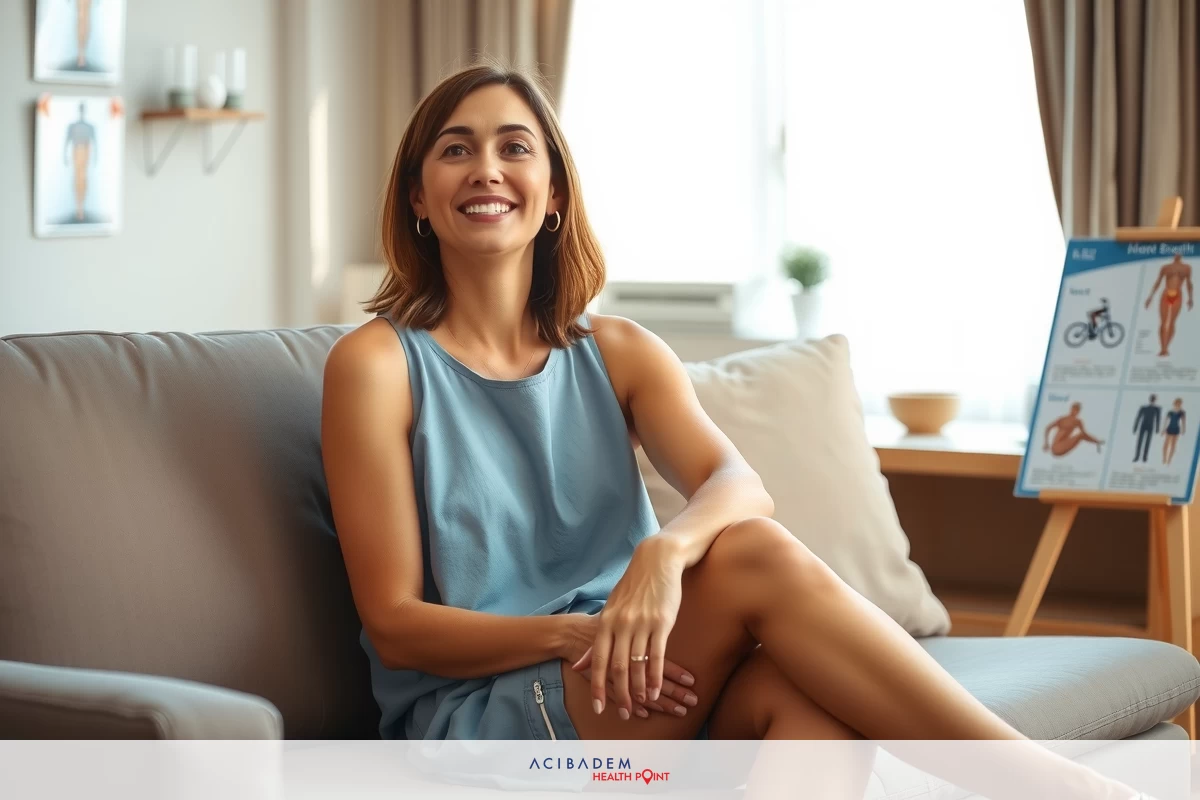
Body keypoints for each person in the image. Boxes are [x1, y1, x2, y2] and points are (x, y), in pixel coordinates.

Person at [320, 62, 1151, 800]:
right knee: (753, 553)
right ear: (420, 198)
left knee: (817, 707)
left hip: (645, 682)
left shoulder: (616, 352)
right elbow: (395, 621)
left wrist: (666, 553)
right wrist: (587, 631)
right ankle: (1052, 785)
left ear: (556, 196)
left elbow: (739, 483)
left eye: (515, 147)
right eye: (456, 150)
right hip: (499, 713)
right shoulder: (378, 365)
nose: (487, 170)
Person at [1143, 254, 1194, 357]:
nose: (1177, 255)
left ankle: (1166, 348)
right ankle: (1162, 348)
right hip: (1166, 293)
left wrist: (1190, 298)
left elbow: (1189, 283)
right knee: (1163, 321)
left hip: (1178, 294)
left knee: (1172, 321)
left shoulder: (1186, 268)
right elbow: (1158, 282)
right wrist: (1150, 297)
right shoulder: (1166, 267)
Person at [62, 102, 97, 222]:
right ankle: (79, 210)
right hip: (76, 151)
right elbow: (67, 141)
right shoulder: (73, 126)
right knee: (78, 179)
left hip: (85, 151)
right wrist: (65, 156)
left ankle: (81, 209)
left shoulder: (89, 127)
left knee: (83, 179)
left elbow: (94, 143)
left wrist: (94, 156)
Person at [1133, 394, 1161, 463]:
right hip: (1144, 425)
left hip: (1150, 426)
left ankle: (1144, 457)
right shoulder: (1144, 408)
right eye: (1153, 399)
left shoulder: (1157, 409)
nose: (1153, 400)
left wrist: (1157, 428)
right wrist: (1135, 427)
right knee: (1140, 441)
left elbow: (1158, 419)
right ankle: (1137, 456)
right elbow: (1138, 417)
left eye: (1153, 399)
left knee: (1147, 442)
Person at [1163, 399, 1187, 466]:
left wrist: (1183, 429)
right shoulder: (1170, 411)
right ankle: (1164, 458)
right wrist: (1163, 429)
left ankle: (1169, 460)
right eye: (1177, 403)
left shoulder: (1182, 412)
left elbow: (1183, 421)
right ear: (1174, 403)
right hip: (1169, 428)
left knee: (1173, 445)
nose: (1178, 404)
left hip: (1176, 429)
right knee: (1166, 444)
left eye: (1179, 403)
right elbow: (1166, 421)